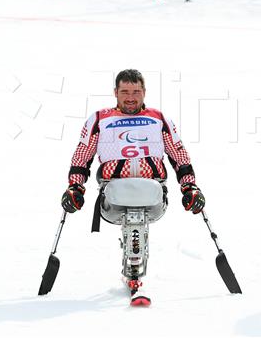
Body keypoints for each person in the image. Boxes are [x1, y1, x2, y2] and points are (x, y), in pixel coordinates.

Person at [60, 69, 206, 306]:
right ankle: (133, 271)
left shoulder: (158, 118)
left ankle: (135, 270)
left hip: (153, 192)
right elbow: (82, 154)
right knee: (125, 203)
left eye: (136, 92)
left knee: (145, 203)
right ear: (115, 92)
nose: (130, 97)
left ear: (144, 92)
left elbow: (178, 153)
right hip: (114, 193)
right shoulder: (100, 119)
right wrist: (75, 188)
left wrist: (190, 188)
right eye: (125, 91)